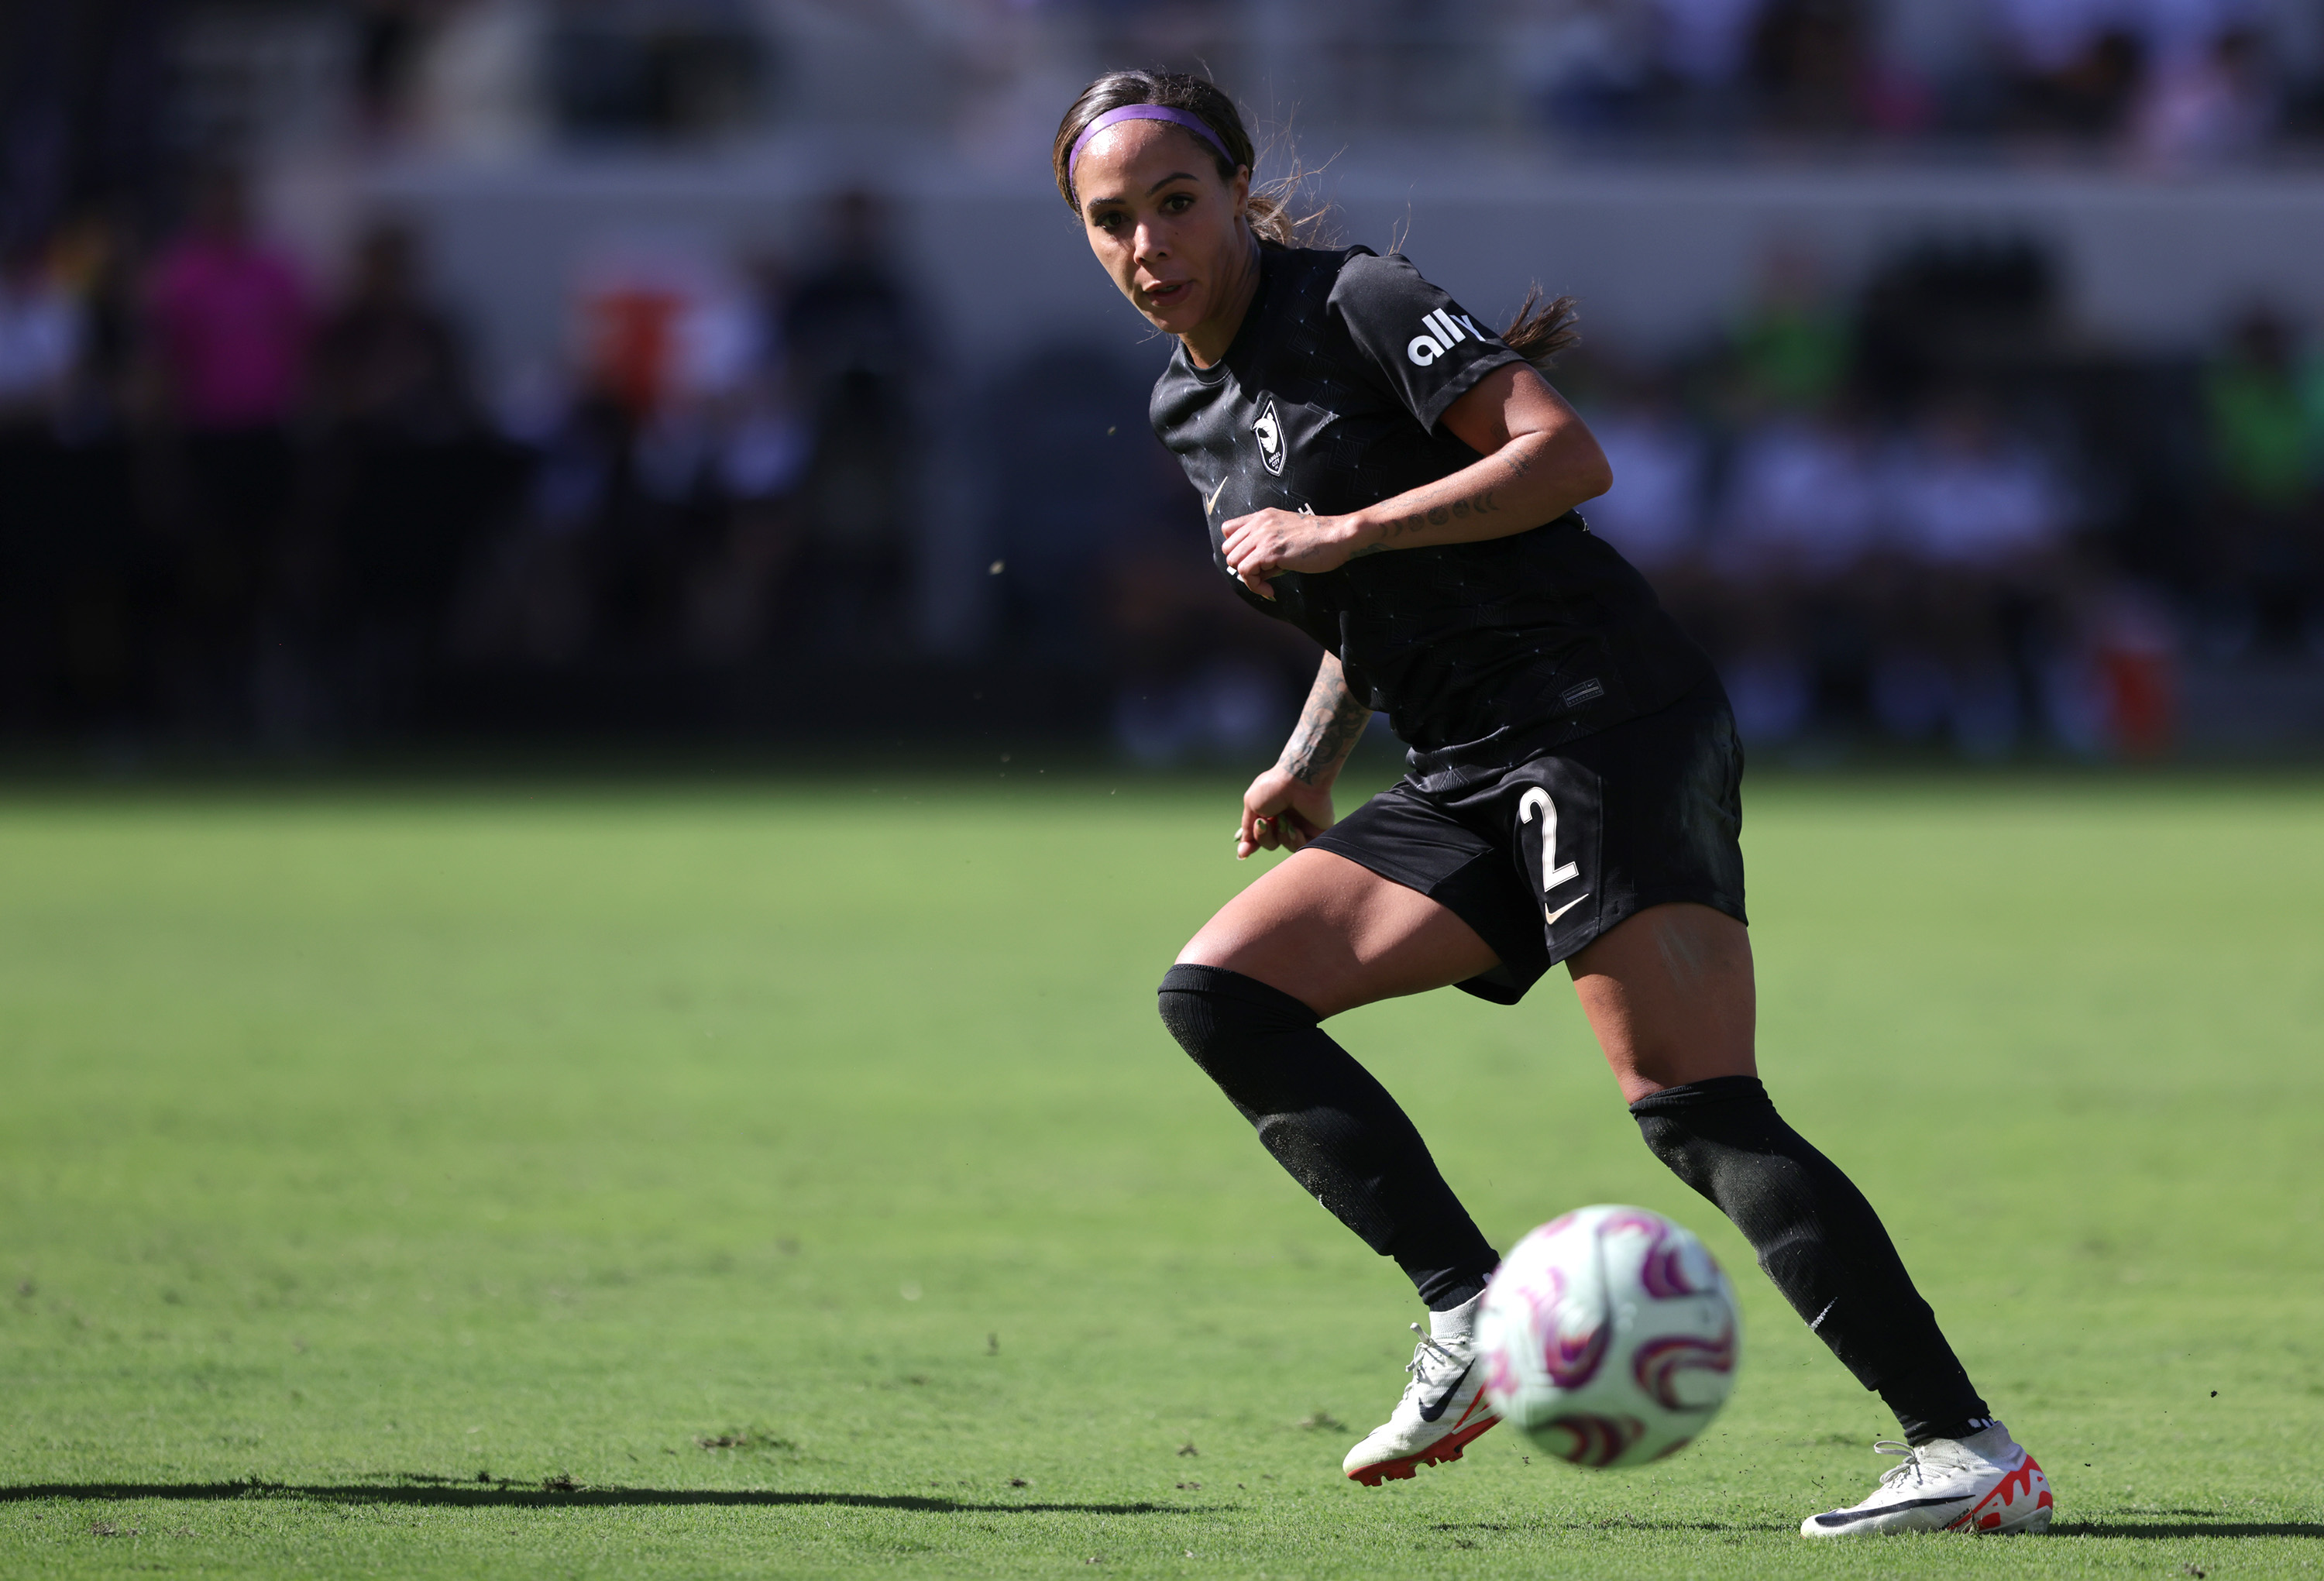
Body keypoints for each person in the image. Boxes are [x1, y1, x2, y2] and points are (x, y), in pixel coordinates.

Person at [1054, 70, 2054, 1538]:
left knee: (1694, 1107)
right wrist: (1316, 754)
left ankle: (1966, 1449)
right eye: (1112, 220)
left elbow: (1564, 457)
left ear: (1236, 187)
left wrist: (1339, 527)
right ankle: (1468, 1315)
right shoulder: (1187, 404)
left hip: (1606, 720)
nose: (1150, 243)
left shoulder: (1360, 303)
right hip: (1464, 759)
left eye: (1177, 202)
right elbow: (1370, 611)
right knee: (1220, 993)